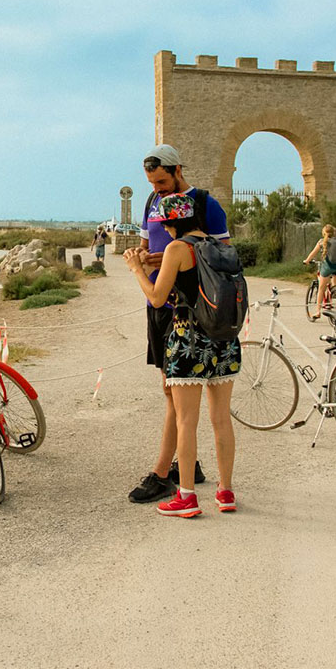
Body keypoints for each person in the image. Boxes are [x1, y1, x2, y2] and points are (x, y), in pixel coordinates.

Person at [126, 144, 231, 504]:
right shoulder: (152, 203)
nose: (157, 189)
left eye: (162, 181)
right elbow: (146, 244)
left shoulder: (204, 204)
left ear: (177, 170)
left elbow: (221, 258)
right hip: (157, 306)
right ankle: (189, 465)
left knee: (175, 393)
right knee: (169, 390)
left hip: (186, 309)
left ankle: (162, 474)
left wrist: (170, 261)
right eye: (152, 183)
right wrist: (148, 258)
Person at [303, 224, 336, 319]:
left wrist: (307, 261)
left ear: (324, 233)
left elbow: (312, 254)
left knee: (321, 288)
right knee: (334, 279)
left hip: (328, 267)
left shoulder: (321, 242)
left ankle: (318, 312)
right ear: (334, 232)